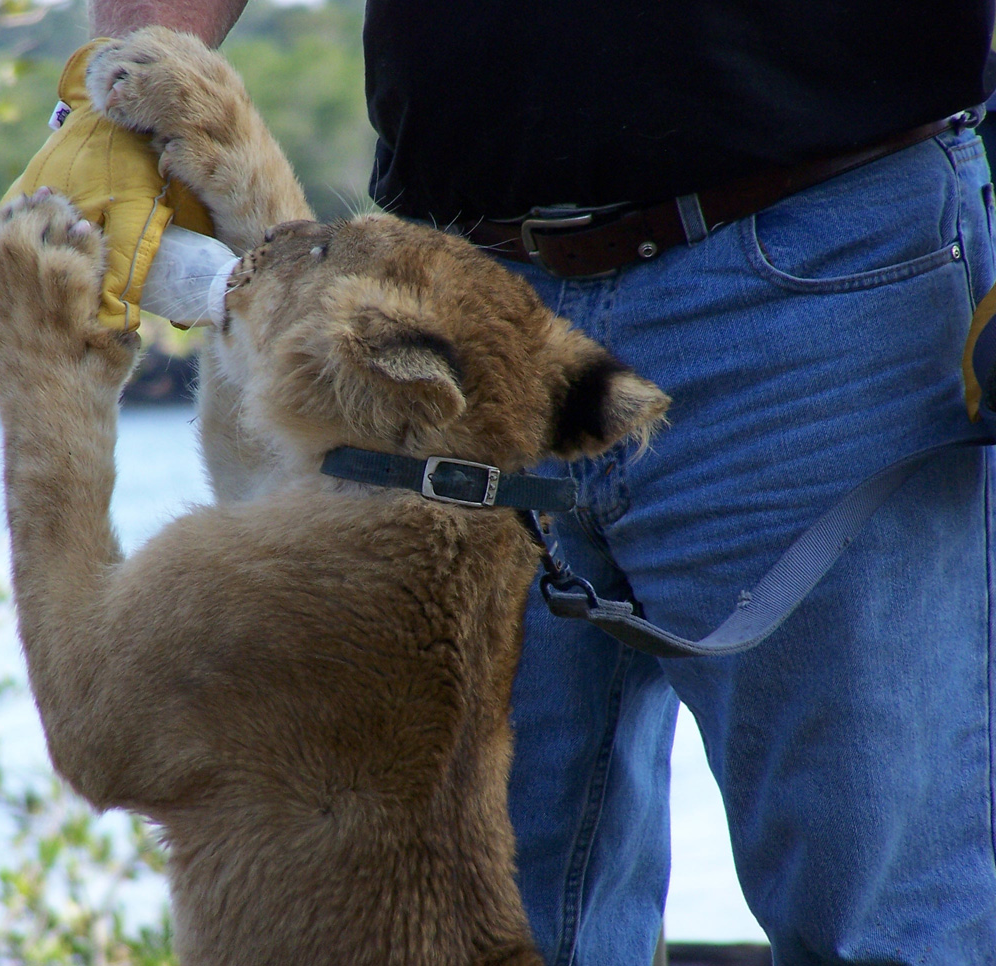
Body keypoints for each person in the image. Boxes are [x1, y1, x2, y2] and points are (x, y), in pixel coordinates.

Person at [72, 2, 996, 962]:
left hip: (831, 273)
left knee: (889, 929)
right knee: (469, 932)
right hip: (450, 318)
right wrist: (107, 106)